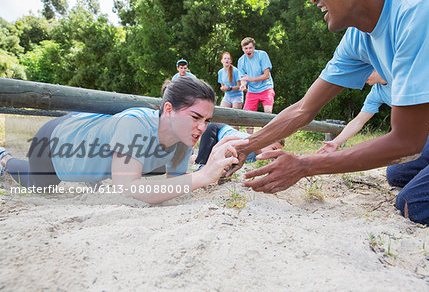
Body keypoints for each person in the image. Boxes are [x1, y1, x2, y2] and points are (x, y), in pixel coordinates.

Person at [227, 0, 429, 226]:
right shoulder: (358, 36)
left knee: (417, 205)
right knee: (397, 173)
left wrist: (305, 165)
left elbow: (407, 143)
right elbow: (303, 108)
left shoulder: (420, 11)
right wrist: (245, 147)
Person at [0, 77, 247, 205]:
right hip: (56, 141)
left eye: (206, 119)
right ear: (168, 109)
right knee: (40, 185)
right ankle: (5, 158)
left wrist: (213, 167)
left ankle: (93, 174)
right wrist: (203, 176)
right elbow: (130, 188)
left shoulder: (184, 140)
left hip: (94, 144)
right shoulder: (136, 123)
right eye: (195, 117)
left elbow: (177, 185)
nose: (202, 127)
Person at [317, 70, 389, 154]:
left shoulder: (401, 78)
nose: (361, 79)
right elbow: (358, 121)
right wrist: (335, 142)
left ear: (375, 69)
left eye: (362, 73)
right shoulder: (376, 92)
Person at [194, 122, 284, 167]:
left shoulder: (256, 156)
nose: (273, 154)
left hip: (223, 135)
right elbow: (227, 154)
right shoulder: (247, 142)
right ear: (265, 141)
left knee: (205, 157)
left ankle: (191, 157)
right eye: (273, 148)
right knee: (202, 162)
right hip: (215, 130)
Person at [238, 37, 275, 134]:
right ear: (242, 49)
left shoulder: (262, 55)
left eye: (250, 48)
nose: (248, 50)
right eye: (246, 48)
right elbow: (244, 78)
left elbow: (266, 75)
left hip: (266, 88)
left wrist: (251, 79)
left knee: (267, 112)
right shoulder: (241, 61)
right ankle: (251, 140)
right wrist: (243, 85)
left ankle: (266, 136)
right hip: (252, 91)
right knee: (247, 116)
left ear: (254, 47)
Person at [218, 52, 243, 130]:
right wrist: (223, 88)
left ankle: (237, 139)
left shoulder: (235, 71)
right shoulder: (220, 72)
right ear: (222, 61)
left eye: (228, 59)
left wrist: (229, 88)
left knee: (234, 121)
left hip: (237, 96)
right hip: (227, 97)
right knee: (222, 117)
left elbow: (239, 86)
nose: (227, 60)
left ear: (231, 61)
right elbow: (222, 86)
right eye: (225, 58)